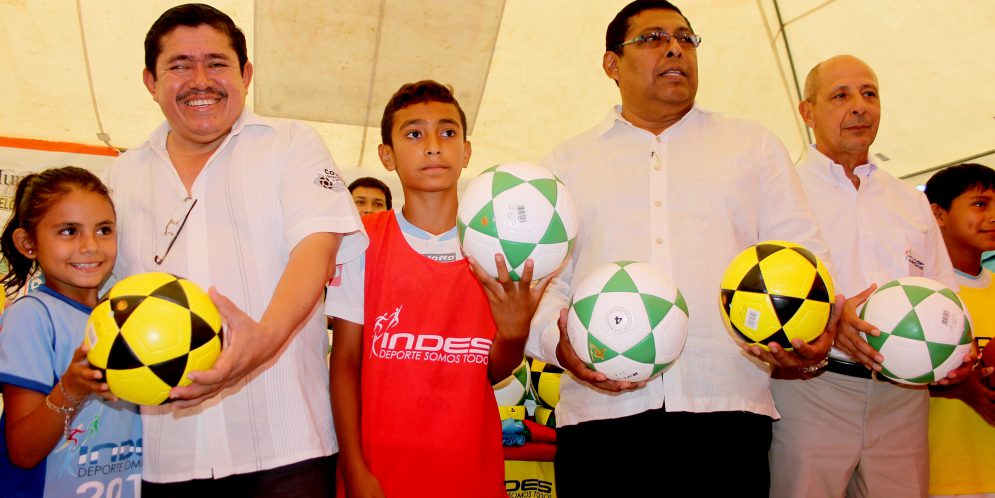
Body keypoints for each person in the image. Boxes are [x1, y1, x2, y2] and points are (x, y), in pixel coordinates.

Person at [526, 2, 838, 496]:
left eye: (686, 38)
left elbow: (805, 260)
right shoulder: (564, 164)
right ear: (612, 64)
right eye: (653, 38)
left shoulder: (754, 146)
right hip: (601, 416)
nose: (675, 48)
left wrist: (813, 332)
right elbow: (541, 284)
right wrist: (557, 345)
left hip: (726, 412)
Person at [103, 4, 365, 495]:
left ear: (245, 75)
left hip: (288, 447)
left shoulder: (291, 144)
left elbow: (317, 248)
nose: (200, 80)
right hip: (170, 456)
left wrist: (262, 341)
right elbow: (104, 292)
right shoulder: (121, 175)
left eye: (217, 63)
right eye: (180, 65)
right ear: (150, 81)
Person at [327, 80, 551, 498]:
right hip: (379, 471)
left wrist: (515, 334)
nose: (433, 146)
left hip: (469, 471)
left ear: (466, 151)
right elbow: (344, 362)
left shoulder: (499, 245)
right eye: (414, 134)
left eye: (447, 132)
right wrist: (353, 468)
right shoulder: (362, 241)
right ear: (387, 155)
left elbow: (489, 371)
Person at [768, 55, 961, 498]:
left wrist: (953, 353)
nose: (859, 106)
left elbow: (943, 292)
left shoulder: (910, 200)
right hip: (812, 389)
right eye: (841, 95)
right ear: (807, 113)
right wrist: (829, 325)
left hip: (904, 397)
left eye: (869, 94)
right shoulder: (780, 193)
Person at [0, 167, 142, 497]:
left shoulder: (125, 319)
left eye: (104, 230)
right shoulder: (31, 316)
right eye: (69, 231)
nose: (91, 246)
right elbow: (23, 452)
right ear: (28, 243)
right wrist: (71, 388)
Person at [925, 163, 995, 497]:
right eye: (980, 204)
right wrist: (959, 388)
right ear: (938, 214)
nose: (993, 216)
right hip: (943, 476)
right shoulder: (915, 294)